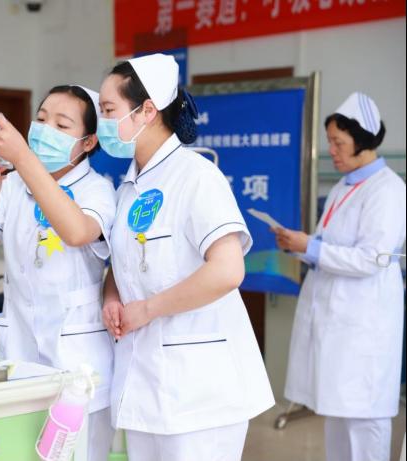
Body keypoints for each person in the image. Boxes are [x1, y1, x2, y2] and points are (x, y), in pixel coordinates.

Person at [99, 53, 274, 460]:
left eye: (108, 110)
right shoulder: (129, 187)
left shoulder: (197, 176)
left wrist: (147, 309)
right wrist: (112, 296)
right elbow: (122, 262)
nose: (102, 121)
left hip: (200, 390)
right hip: (144, 382)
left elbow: (228, 271)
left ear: (147, 111)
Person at [0, 85, 116, 460]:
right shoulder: (13, 184)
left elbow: (76, 232)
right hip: (20, 353)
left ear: (89, 141)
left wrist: (22, 159)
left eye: (62, 125)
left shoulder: (98, 190)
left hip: (77, 364)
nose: (45, 130)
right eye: (41, 119)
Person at [274, 92, 406, 461]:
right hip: (337, 324)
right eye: (329, 142)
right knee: (337, 414)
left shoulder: (389, 190)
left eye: (338, 142)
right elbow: (332, 246)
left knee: (364, 423)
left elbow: (371, 258)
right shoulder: (343, 186)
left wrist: (311, 248)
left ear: (361, 139)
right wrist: (301, 246)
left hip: (364, 326)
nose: (331, 150)